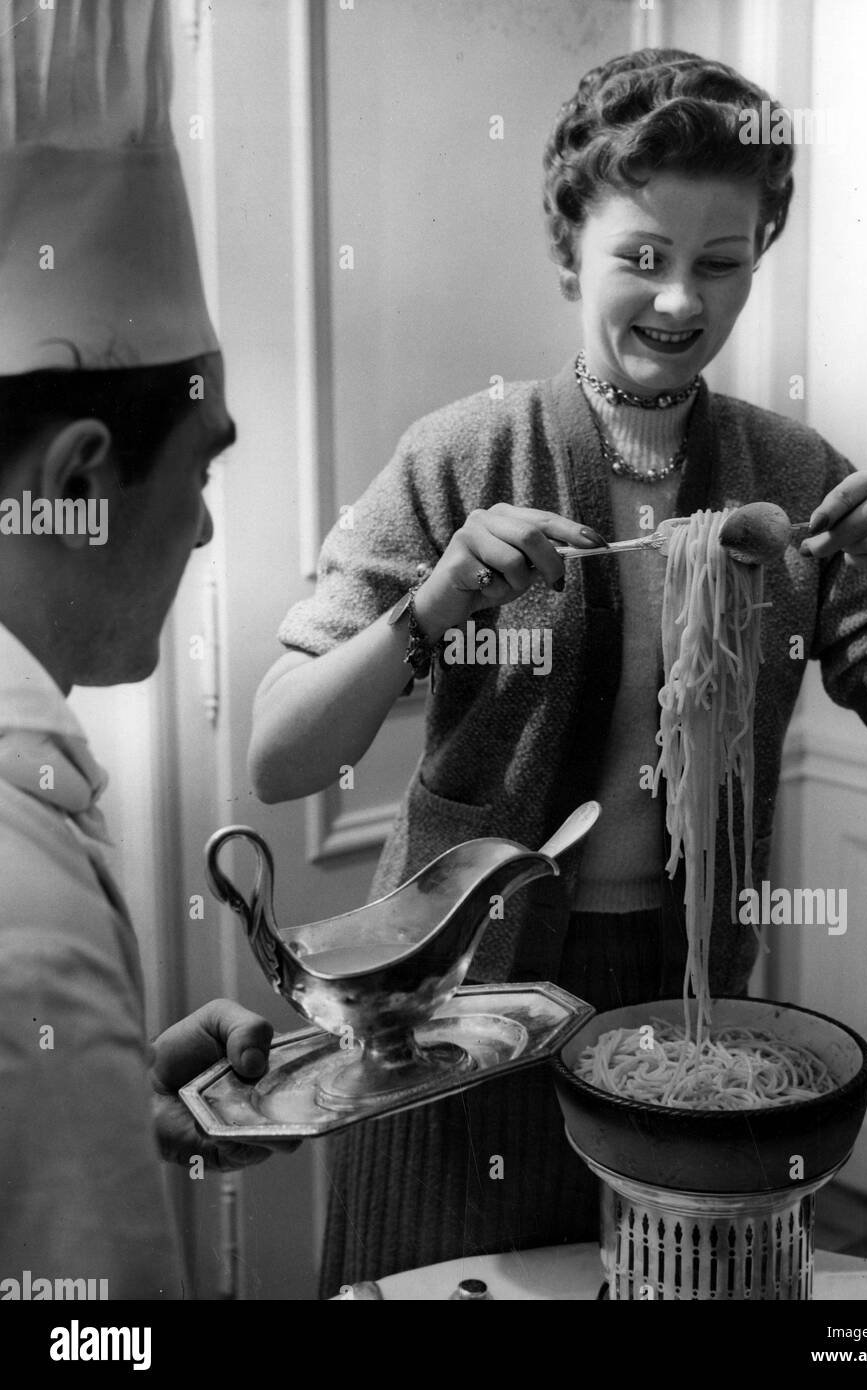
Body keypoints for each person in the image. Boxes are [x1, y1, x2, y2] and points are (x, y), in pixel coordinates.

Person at [249, 49, 867, 1294]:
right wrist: (435, 605)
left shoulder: (790, 475)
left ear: (759, 258)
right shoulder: (464, 455)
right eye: (640, 256)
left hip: (680, 1009)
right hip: (454, 997)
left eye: (721, 261)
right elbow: (282, 755)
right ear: (568, 250)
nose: (677, 299)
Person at [0, 1, 289, 1299]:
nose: (208, 521)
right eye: (202, 463)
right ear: (81, 474)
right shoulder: (32, 939)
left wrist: (109, 1084)